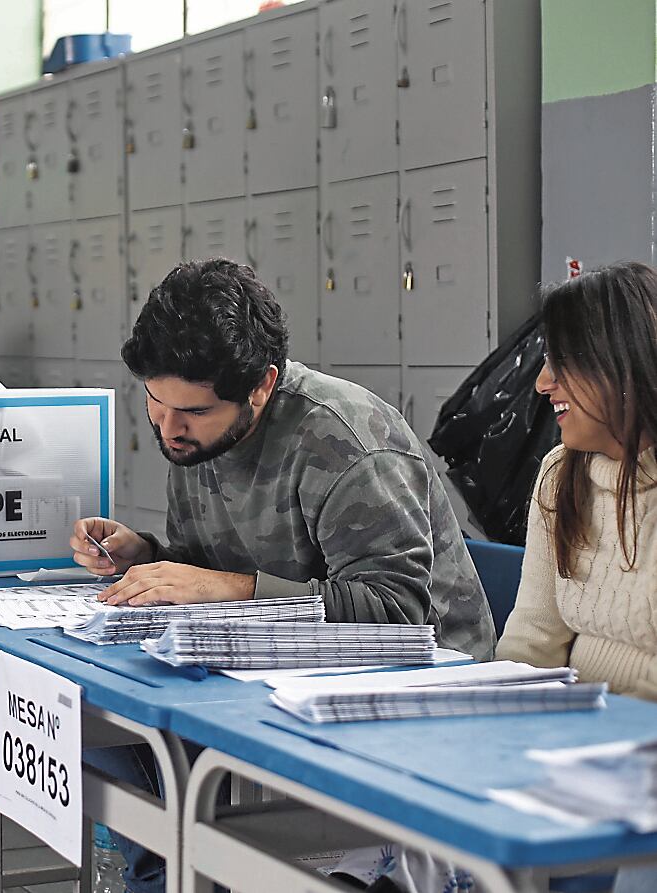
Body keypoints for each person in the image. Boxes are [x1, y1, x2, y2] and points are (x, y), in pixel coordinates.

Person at [71, 258, 495, 893]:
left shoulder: (345, 443)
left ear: (263, 386)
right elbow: (209, 567)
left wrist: (233, 589)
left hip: (410, 698)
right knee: (96, 714)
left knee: (155, 760)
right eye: (155, 403)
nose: (168, 428)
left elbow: (399, 613)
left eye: (192, 411)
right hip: (275, 669)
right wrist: (145, 556)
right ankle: (169, 874)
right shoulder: (195, 432)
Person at [495, 261, 657, 893]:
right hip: (574, 758)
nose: (541, 385)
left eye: (560, 366)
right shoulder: (562, 475)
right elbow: (532, 640)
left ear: (621, 365)